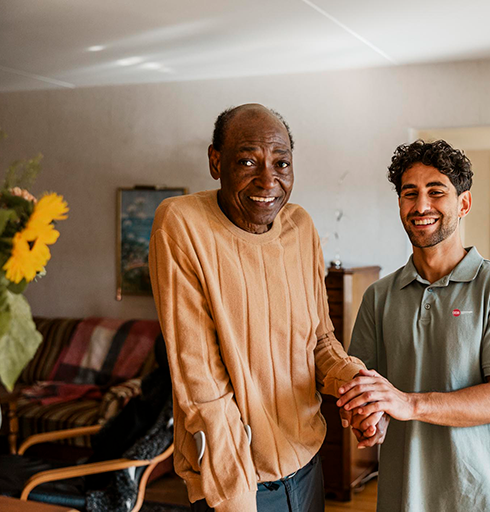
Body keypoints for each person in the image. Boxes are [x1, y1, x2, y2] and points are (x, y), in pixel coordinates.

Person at [149, 104, 366, 512]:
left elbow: (320, 341)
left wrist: (357, 388)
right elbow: (202, 388)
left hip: (307, 468)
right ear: (216, 162)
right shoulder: (181, 224)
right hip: (239, 484)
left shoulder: (300, 227)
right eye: (247, 160)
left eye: (281, 162)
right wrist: (235, 496)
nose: (269, 180)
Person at [338, 139, 490, 511]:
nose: (421, 206)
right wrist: (368, 418)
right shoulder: (378, 296)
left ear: (463, 204)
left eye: (436, 192)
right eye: (409, 194)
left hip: (479, 496)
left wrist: (409, 404)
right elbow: (366, 389)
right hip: (402, 495)